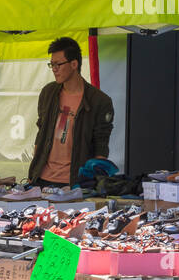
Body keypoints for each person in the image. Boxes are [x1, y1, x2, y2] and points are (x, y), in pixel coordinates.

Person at [28, 36, 115, 188]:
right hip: (42, 179)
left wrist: (89, 182)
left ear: (74, 64)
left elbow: (101, 146)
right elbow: (41, 133)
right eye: (52, 64)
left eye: (58, 64)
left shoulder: (99, 101)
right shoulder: (48, 92)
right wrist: (33, 172)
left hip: (75, 182)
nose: (54, 69)